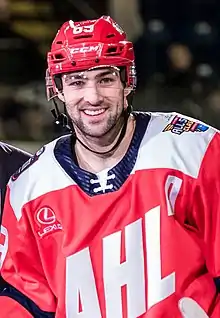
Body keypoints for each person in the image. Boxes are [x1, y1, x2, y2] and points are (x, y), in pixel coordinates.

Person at [0, 15, 219, 318]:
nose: (92, 97)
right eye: (77, 81)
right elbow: (23, 302)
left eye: (105, 79)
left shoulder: (196, 150)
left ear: (127, 81)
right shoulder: (28, 187)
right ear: (59, 89)